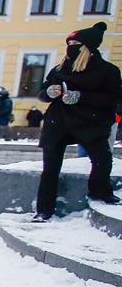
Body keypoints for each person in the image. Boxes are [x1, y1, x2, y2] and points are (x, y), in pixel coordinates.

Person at [32, 23, 121, 221]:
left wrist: (80, 96)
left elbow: (112, 99)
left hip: (90, 123)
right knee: (50, 168)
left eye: (75, 43)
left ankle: (100, 191)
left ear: (88, 46)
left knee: (102, 160)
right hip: (58, 122)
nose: (71, 46)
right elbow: (42, 93)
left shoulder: (108, 71)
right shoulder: (59, 68)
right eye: (69, 42)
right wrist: (48, 93)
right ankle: (43, 209)